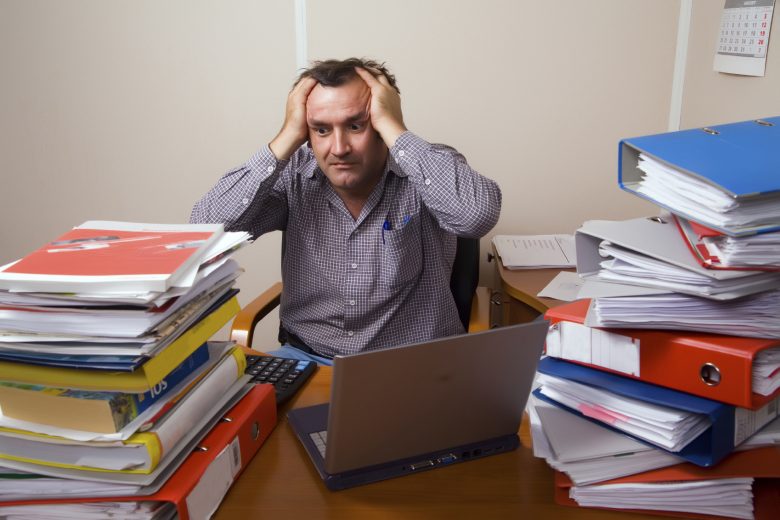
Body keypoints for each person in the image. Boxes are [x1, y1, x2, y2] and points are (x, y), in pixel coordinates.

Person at [191, 58, 501, 364]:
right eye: (321, 130)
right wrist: (288, 135)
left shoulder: (428, 168)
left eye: (356, 126)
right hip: (306, 359)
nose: (339, 148)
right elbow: (204, 232)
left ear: (382, 123)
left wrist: (396, 129)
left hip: (413, 365)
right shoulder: (294, 174)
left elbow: (476, 216)